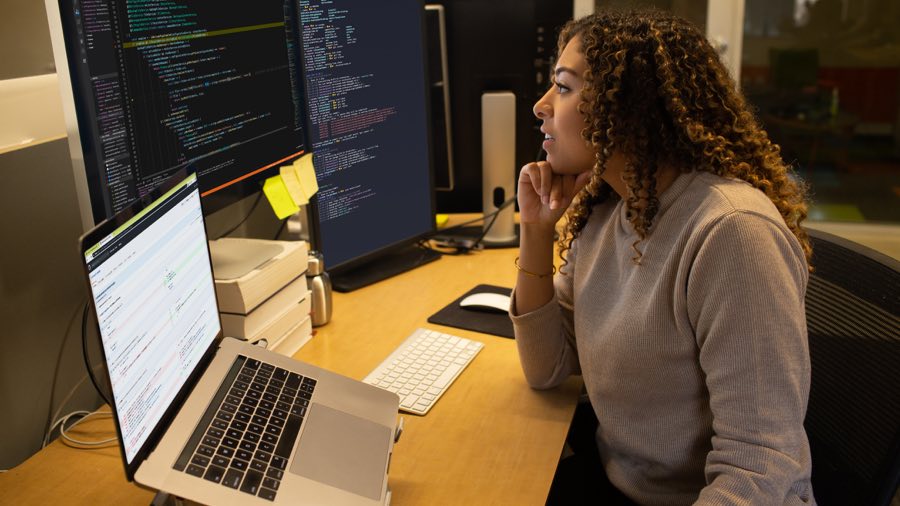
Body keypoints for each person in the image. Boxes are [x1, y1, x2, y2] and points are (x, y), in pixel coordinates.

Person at [510, 9, 815, 505]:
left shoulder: (731, 233)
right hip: (620, 484)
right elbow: (547, 368)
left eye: (564, 88)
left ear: (625, 109)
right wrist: (538, 231)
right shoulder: (610, 210)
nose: (542, 105)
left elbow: (760, 469)